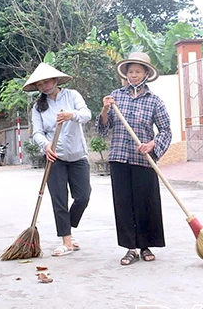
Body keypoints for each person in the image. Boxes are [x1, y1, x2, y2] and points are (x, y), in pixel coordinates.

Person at [98, 52, 171, 266]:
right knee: (124, 204)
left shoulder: (154, 101)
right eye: (131, 72)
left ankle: (146, 245)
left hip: (143, 159)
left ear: (146, 73)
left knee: (146, 203)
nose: (134, 75)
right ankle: (130, 248)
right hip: (119, 157)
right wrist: (104, 108)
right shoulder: (115, 97)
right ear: (126, 74)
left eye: (138, 71)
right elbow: (103, 128)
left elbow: (166, 130)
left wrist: (152, 144)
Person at [26, 62, 92, 257]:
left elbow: (87, 114)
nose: (45, 86)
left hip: (78, 155)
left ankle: (68, 229)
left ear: (55, 80)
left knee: (83, 196)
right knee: (59, 199)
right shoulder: (38, 107)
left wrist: (72, 115)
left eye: (47, 82)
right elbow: (37, 132)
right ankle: (67, 241)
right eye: (40, 84)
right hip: (55, 157)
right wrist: (45, 145)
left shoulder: (72, 96)